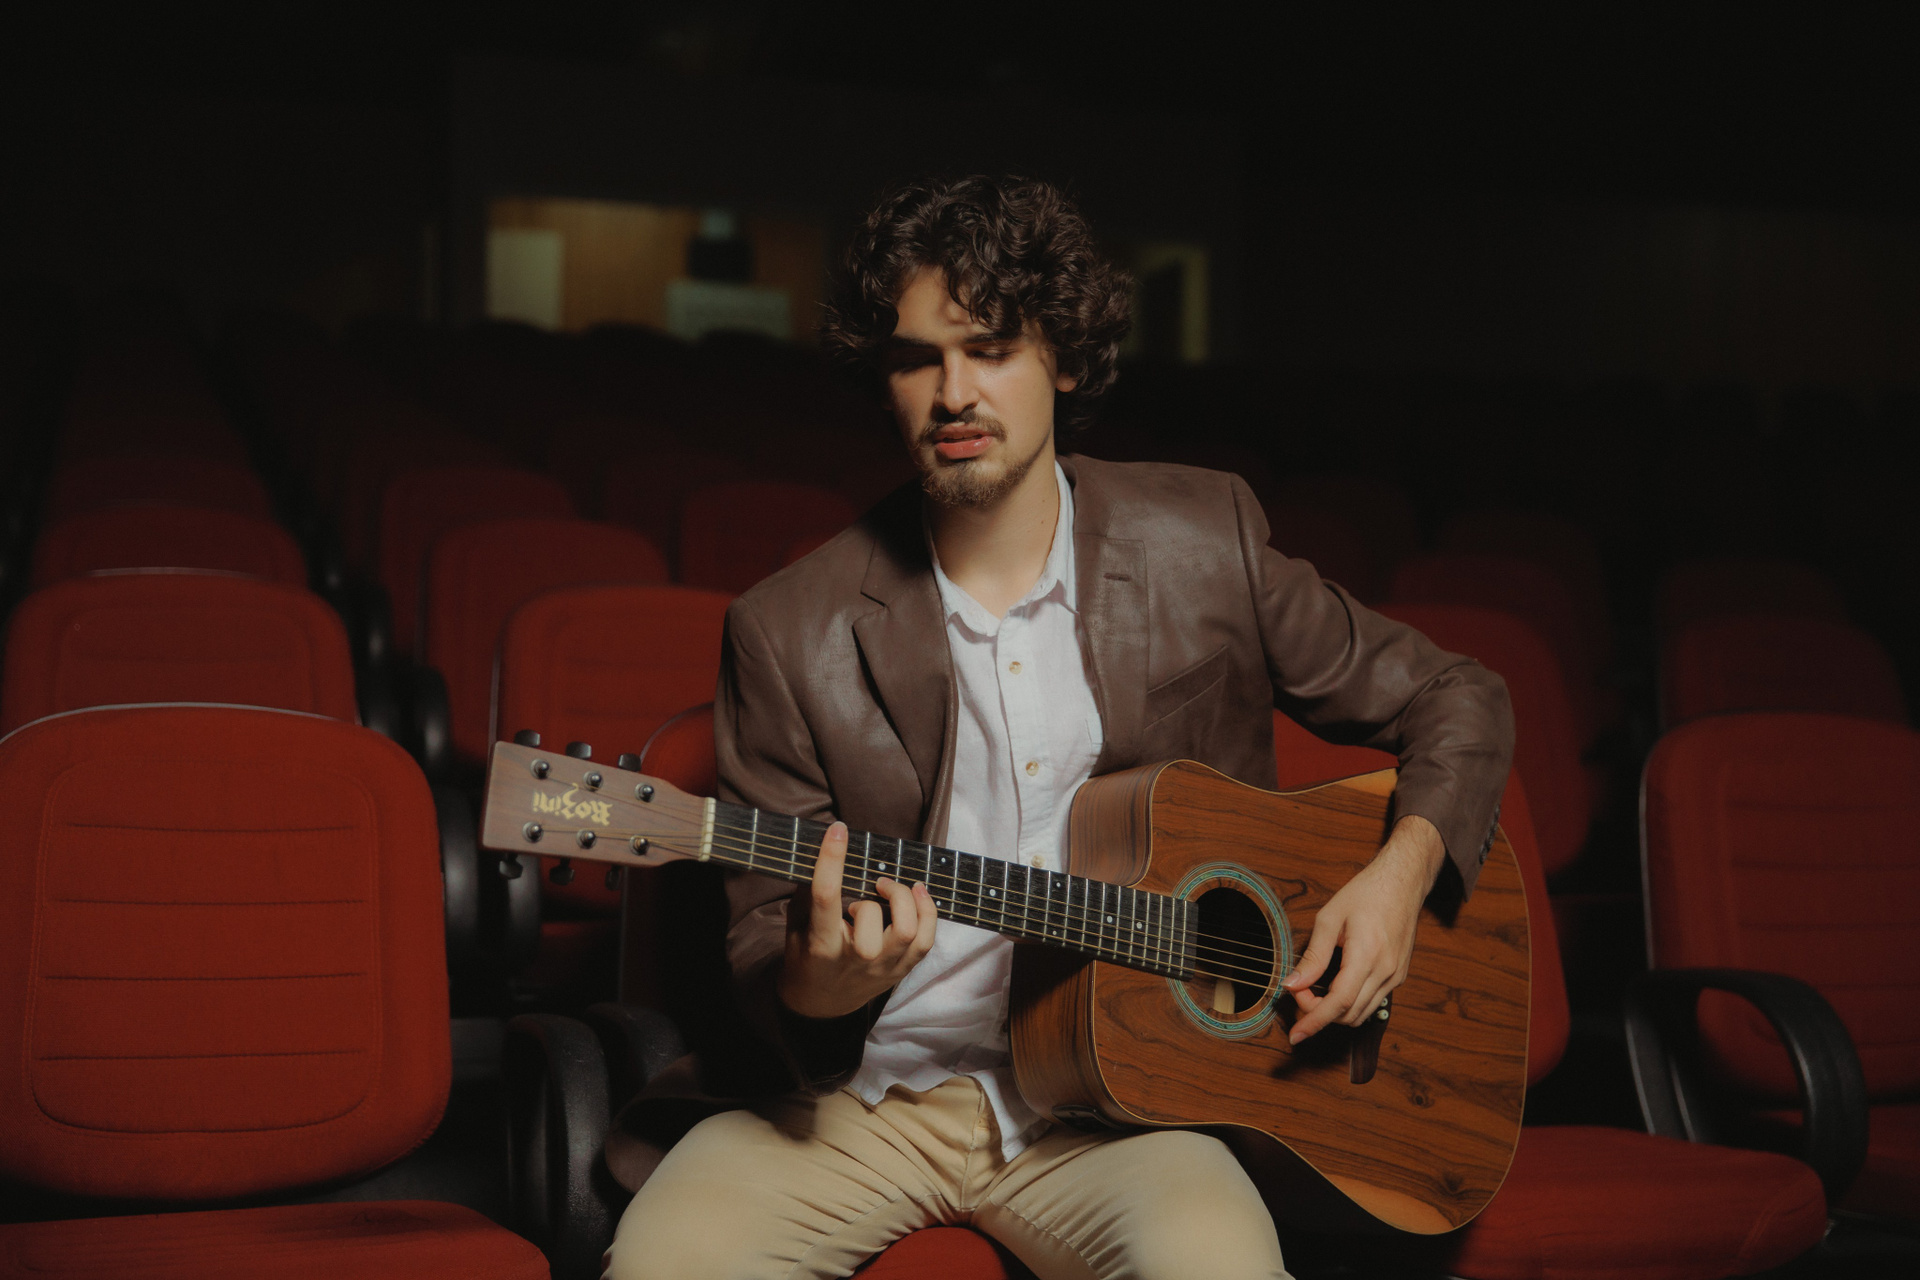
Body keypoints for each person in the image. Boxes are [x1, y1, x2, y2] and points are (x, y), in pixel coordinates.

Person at [602, 175, 1513, 1280]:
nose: (954, 393)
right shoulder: (787, 630)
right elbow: (759, 946)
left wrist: (1402, 876)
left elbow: (1459, 696)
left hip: (1127, 1113)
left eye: (991, 349)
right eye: (916, 359)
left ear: (1065, 358)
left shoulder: (1204, 540)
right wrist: (818, 986)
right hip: (867, 1103)